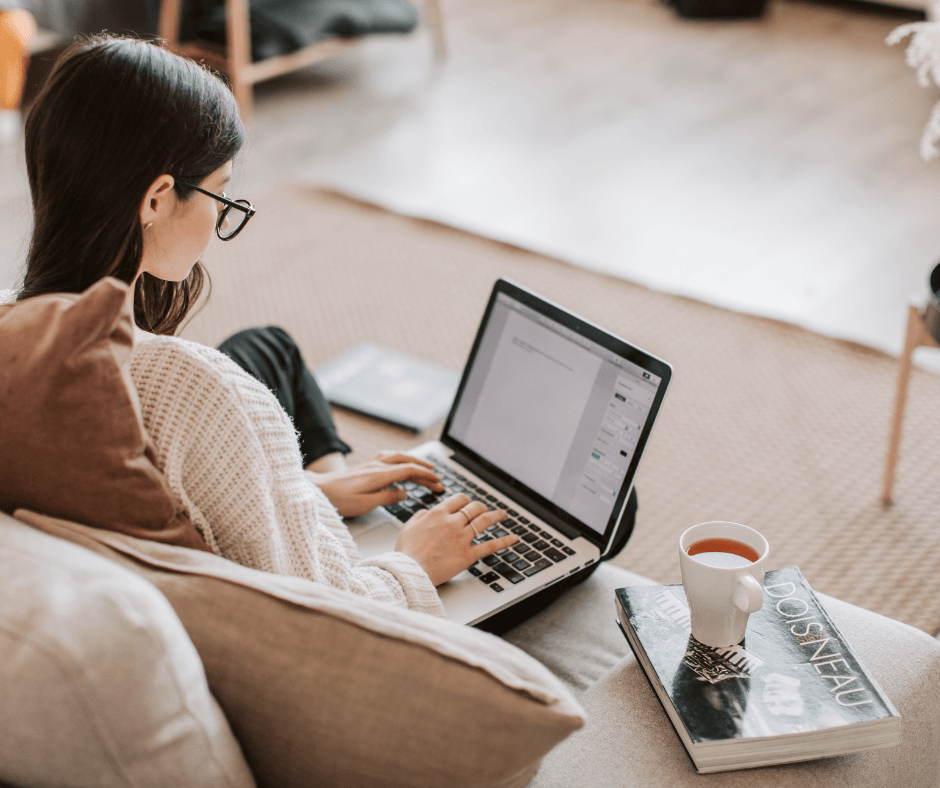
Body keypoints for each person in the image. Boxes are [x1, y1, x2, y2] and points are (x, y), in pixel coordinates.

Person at [17, 34, 636, 626]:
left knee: (269, 346)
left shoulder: (18, 331)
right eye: (221, 196)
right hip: (357, 600)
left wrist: (311, 492)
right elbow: (323, 614)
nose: (219, 222)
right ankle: (341, 499)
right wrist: (414, 561)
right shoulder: (198, 390)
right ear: (155, 200)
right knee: (613, 512)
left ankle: (325, 477)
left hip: (248, 485)